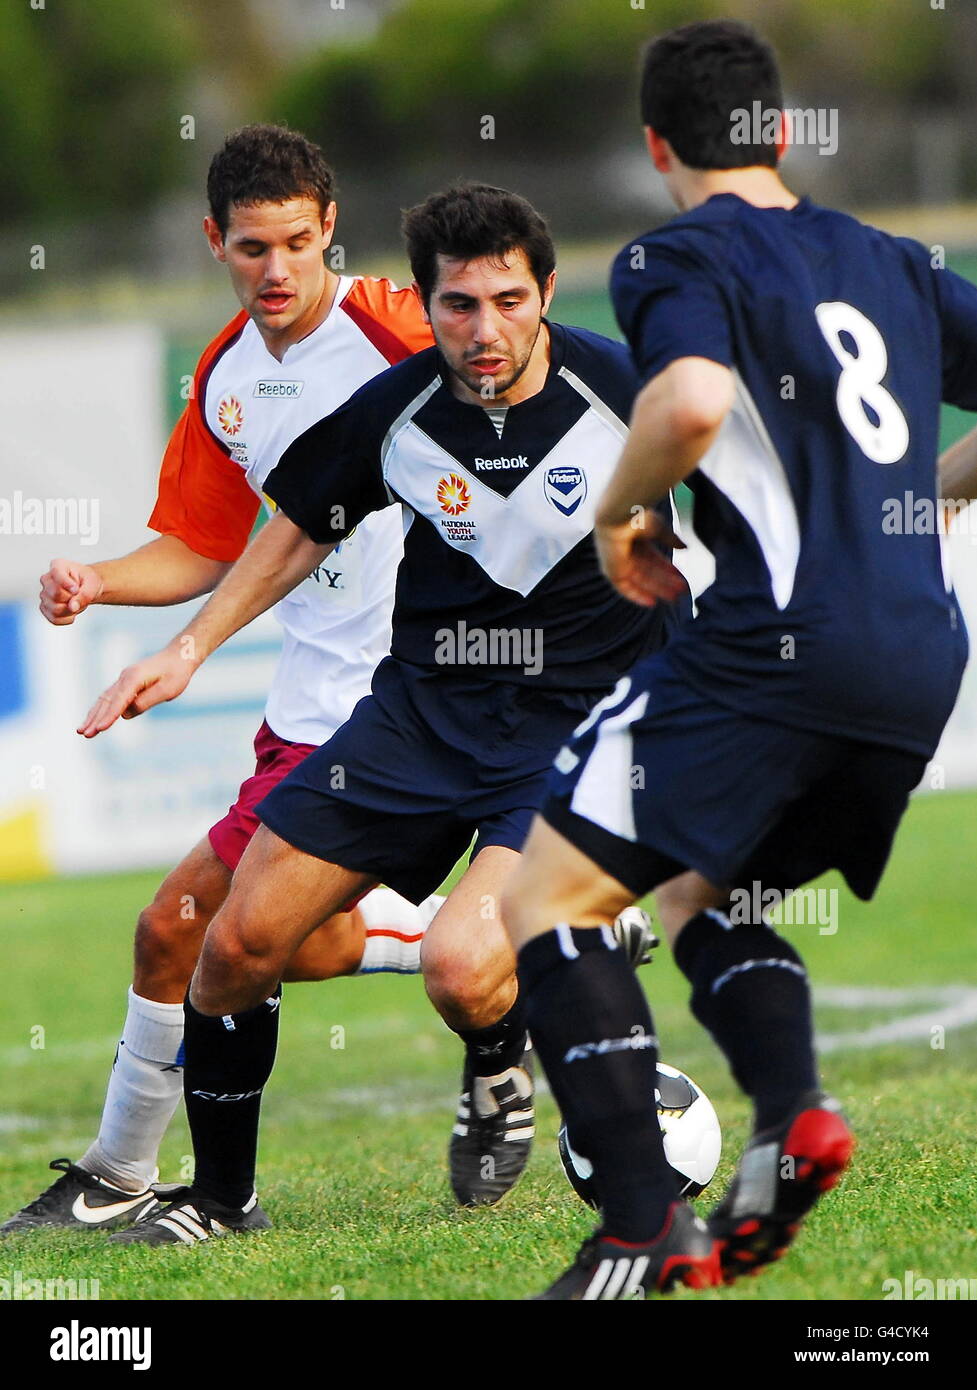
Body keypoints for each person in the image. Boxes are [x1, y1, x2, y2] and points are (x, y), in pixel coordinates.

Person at [74, 182, 683, 1245]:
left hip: (574, 735)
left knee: (460, 964)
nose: (482, 330)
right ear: (427, 301)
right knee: (234, 941)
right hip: (417, 722)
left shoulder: (630, 393)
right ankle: (220, 1204)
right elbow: (298, 528)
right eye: (457, 305)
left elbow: (760, 506)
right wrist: (186, 647)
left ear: (545, 290)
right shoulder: (397, 408)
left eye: (505, 299)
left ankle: (501, 1048)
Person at [501, 18, 977, 1300]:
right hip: (919, 657)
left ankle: (641, 1227)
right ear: (778, 130)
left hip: (776, 646)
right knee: (709, 892)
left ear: (657, 144)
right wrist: (925, 503)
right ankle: (787, 1124)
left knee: (543, 901)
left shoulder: (673, 253)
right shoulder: (892, 258)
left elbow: (692, 402)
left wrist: (616, 514)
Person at [1, 124, 441, 1238]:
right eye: (252, 248)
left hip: (409, 706)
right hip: (303, 707)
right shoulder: (224, 377)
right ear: (214, 242)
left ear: (330, 227)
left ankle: (123, 1178)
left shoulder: (407, 330)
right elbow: (202, 545)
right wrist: (95, 582)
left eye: (298, 241)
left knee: (179, 928)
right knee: (297, 938)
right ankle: (503, 946)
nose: (278, 270)